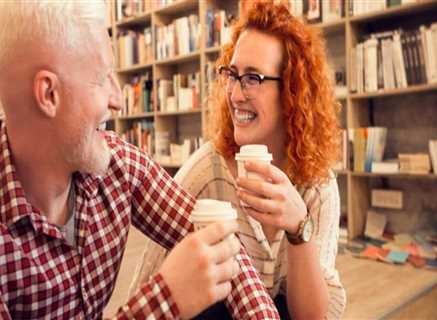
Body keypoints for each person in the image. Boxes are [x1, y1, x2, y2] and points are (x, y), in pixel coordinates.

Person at [0, 1, 280, 319]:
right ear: (49, 94)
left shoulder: (119, 165)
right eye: (102, 78)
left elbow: (227, 251)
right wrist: (164, 301)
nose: (119, 100)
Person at [131, 1, 347, 319]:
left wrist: (299, 226)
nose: (234, 94)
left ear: (292, 89)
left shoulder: (318, 186)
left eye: (253, 78)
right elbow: (148, 286)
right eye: (232, 75)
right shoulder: (205, 173)